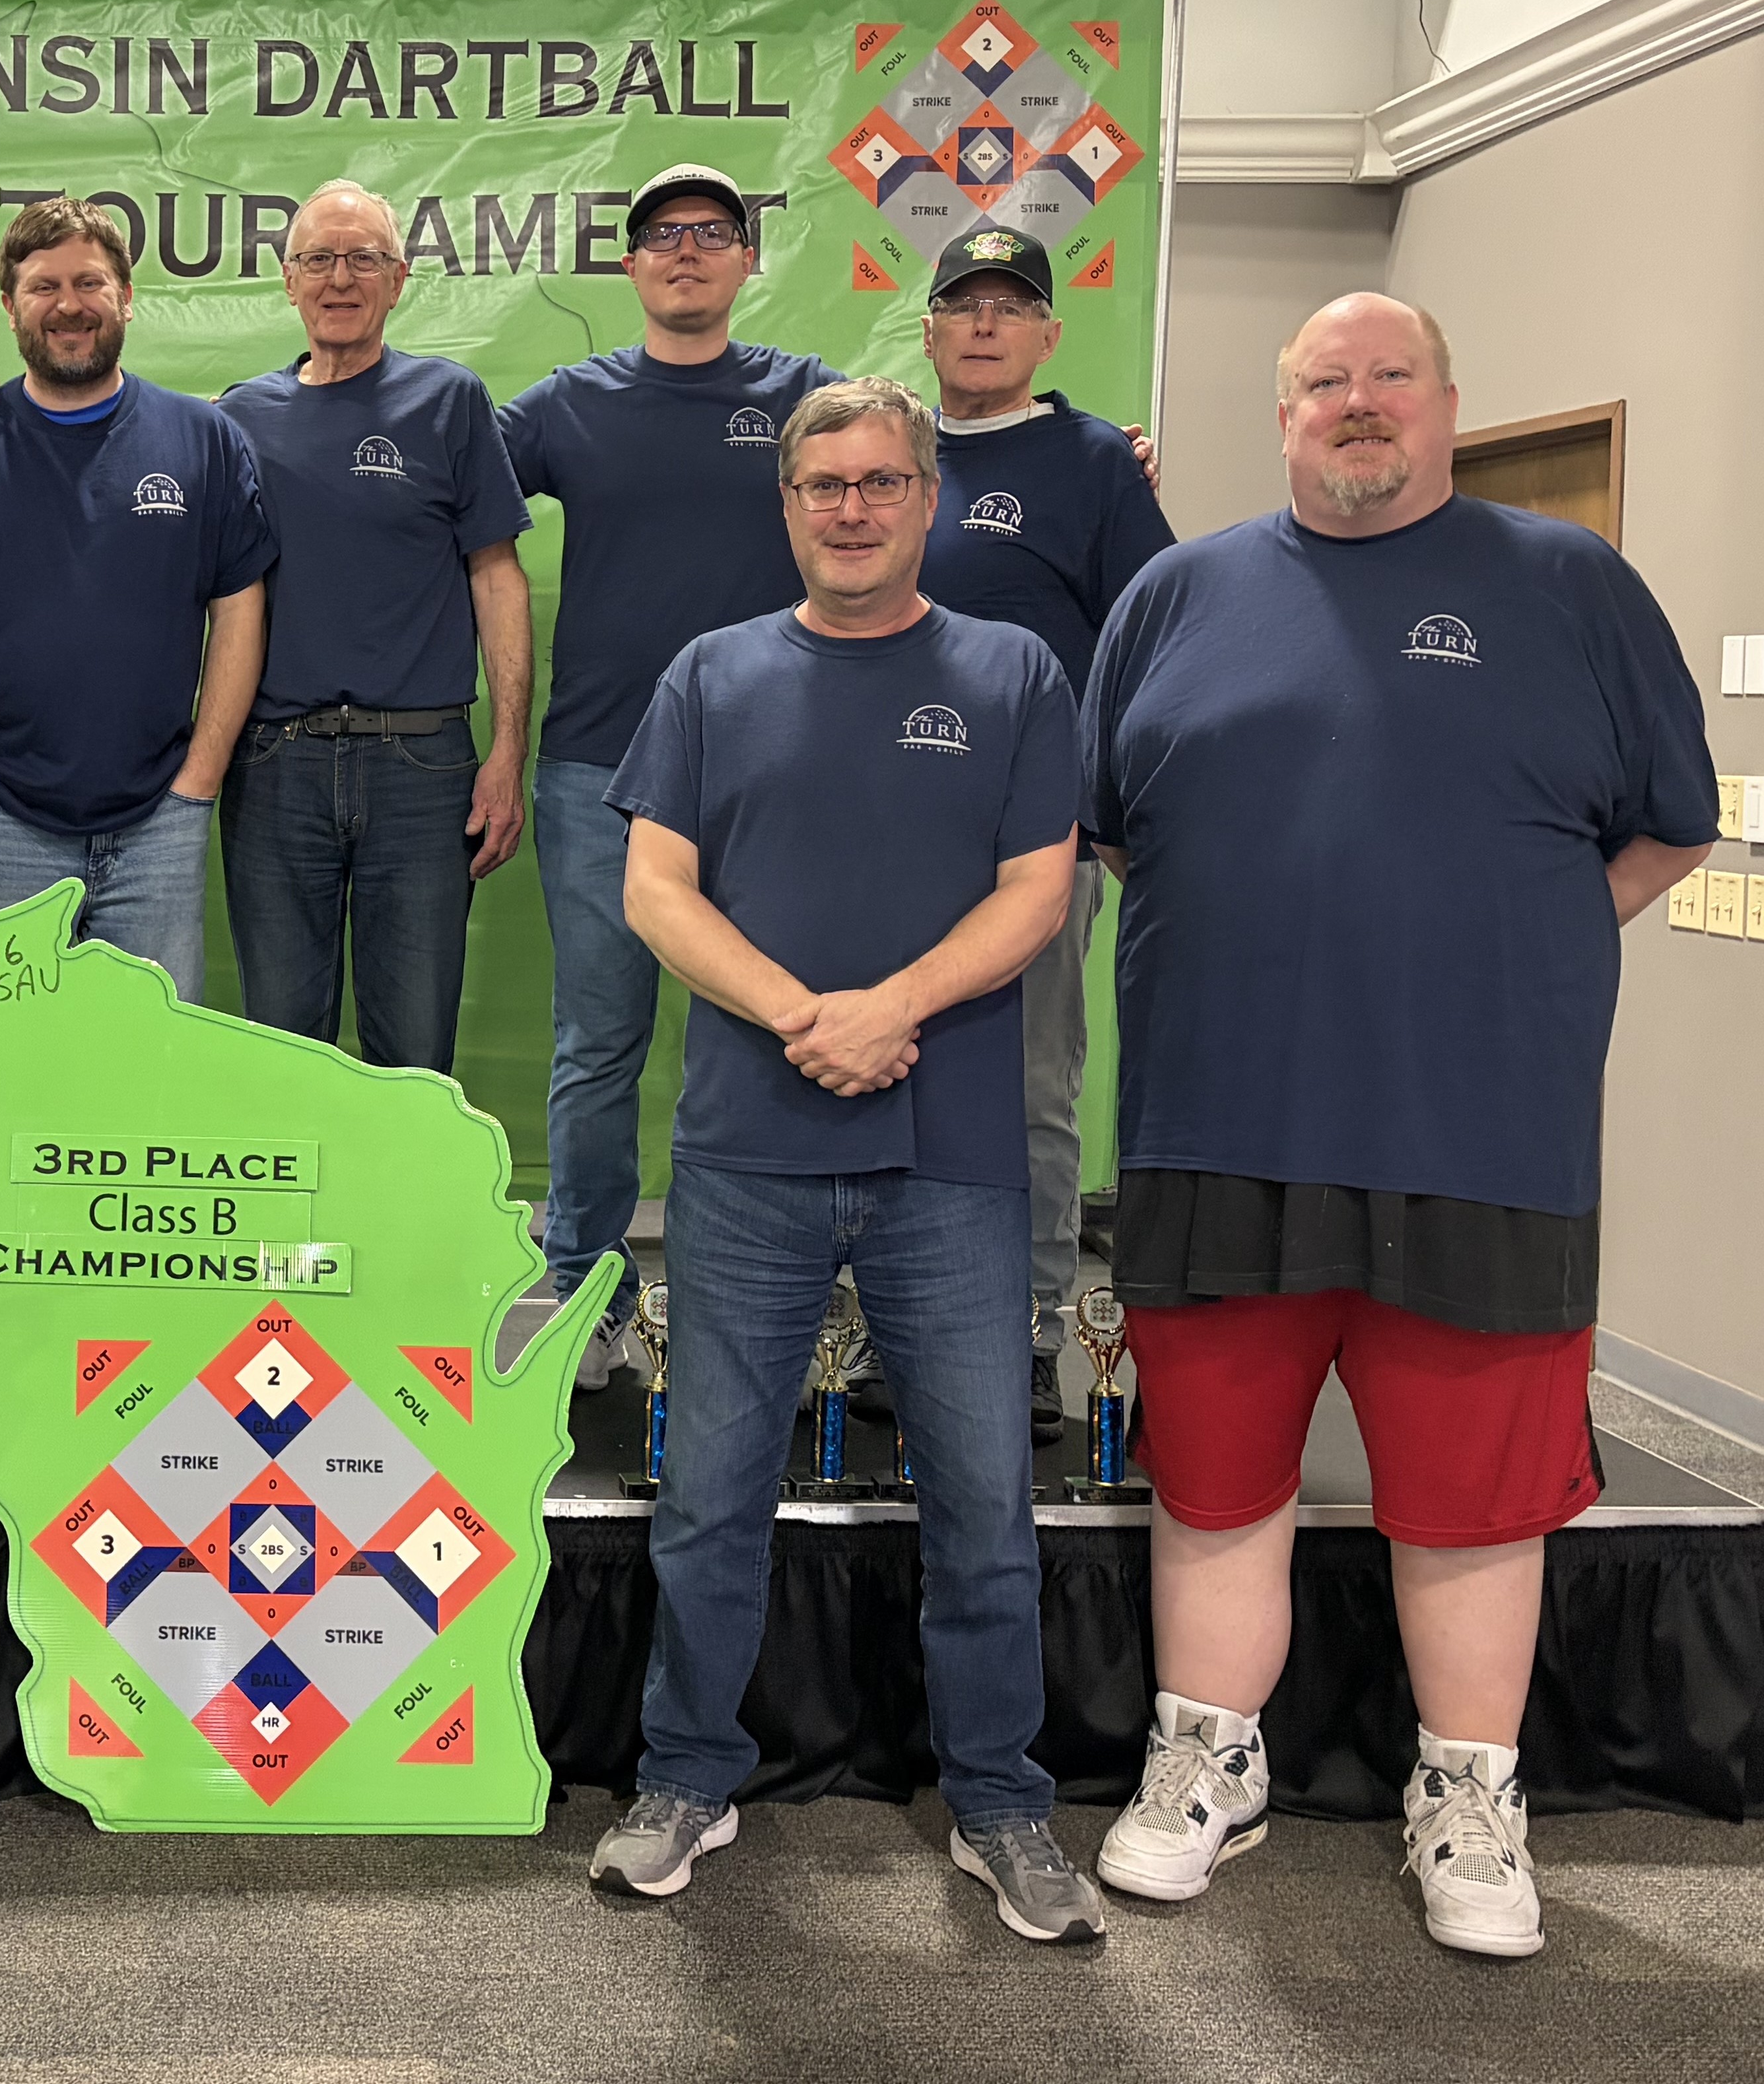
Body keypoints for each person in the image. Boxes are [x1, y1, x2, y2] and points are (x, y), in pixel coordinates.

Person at [1082, 294, 1714, 1959]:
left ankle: (1469, 1796)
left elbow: (1666, 831)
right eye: (1322, 381)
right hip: (1216, 1117)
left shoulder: (1570, 585)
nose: (1354, 402)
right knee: (1214, 1481)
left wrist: (1498, 948)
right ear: (1281, 412)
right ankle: (1206, 1761)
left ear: (1443, 402)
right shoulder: (1171, 597)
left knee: (1468, 1497)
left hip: (1478, 1131)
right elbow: (1122, 834)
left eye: (1387, 377)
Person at [589, 375, 1101, 1943]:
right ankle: (686, 1775)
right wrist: (804, 1013)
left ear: (926, 500)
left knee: (981, 1501)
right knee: (709, 1496)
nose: (852, 507)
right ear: (789, 503)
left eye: (882, 481)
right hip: (746, 1152)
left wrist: (891, 1009)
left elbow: (1038, 892)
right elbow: (654, 891)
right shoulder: (710, 672)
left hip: (951, 1156)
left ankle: (1000, 1799)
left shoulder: (1012, 672)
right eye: (824, 484)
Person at [0, 181, 532, 1071]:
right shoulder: (231, 420)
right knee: (275, 1049)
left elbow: (496, 577)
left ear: (398, 279)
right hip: (274, 764)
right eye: (318, 259)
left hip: (421, 764)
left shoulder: (448, 400)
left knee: (413, 1049)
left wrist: (506, 751)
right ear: (288, 280)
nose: (340, 278)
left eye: (363, 259)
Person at [500, 166, 843, 1318]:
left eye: (708, 231)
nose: (683, 249)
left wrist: (1105, 450)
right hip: (596, 771)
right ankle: (585, 1296)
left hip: (769, 776)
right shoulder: (567, 403)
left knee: (768, 1033)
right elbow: (426, 475)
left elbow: (936, 458)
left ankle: (757, 1299)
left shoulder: (805, 397)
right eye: (658, 234)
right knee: (597, 1043)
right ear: (628, 264)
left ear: (747, 257)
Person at [0, 197, 276, 1001]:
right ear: (9, 306)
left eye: (89, 283)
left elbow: (239, 607)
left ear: (126, 296)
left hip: (157, 829)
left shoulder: (202, 439)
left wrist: (197, 783)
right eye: (43, 287)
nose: (68, 305)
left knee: (146, 1064)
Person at [915, 225, 1176, 1429]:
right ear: (926, 330)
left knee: (1026, 1086)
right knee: (886, 1079)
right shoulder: (884, 453)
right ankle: (897, 1326)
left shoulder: (1091, 462)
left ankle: (1024, 1327)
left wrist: (1107, 804)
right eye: (962, 304)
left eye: (1009, 305)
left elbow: (1152, 641)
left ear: (1047, 335)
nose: (983, 323)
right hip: (887, 834)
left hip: (1035, 840)